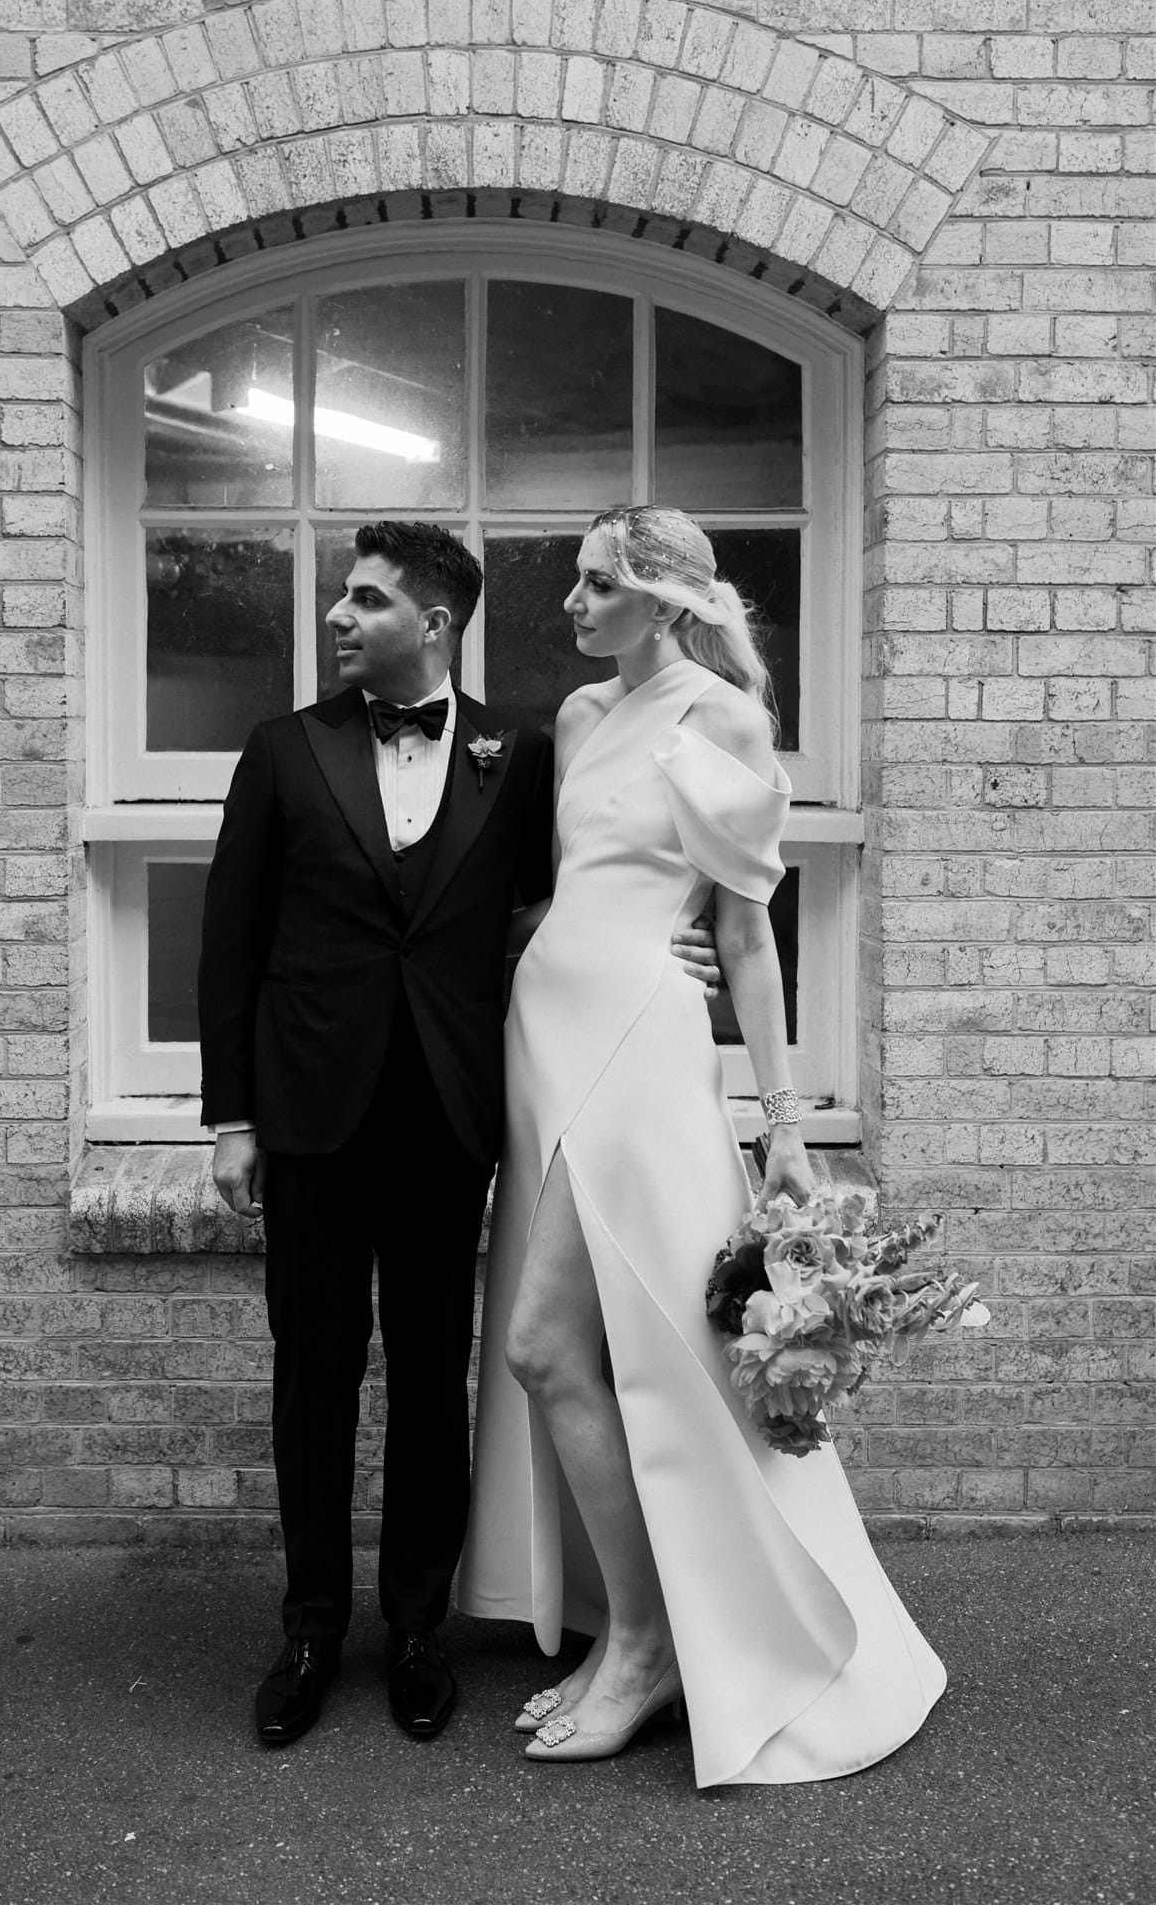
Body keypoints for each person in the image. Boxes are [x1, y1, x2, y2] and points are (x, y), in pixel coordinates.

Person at [198, 518, 724, 1750]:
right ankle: (310, 1628)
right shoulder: (282, 750)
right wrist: (232, 1116)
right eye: (343, 596)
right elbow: (230, 939)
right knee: (313, 1374)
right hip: (311, 1116)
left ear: (432, 623)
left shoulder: (519, 753)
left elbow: (575, 892)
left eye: (366, 598)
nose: (338, 614)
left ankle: (415, 1628)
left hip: (449, 1112)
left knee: (436, 1375)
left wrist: (667, 941)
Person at [457, 505, 946, 1785]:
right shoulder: (576, 716)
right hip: (542, 1038)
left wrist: (782, 1121)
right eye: (575, 579)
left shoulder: (722, 719)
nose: (572, 601)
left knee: (542, 1345)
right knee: (582, 1347)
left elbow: (741, 934)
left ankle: (644, 1647)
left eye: (598, 582)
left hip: (637, 1047)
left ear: (664, 599)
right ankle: (633, 1623)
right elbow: (573, 890)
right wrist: (540, 938)